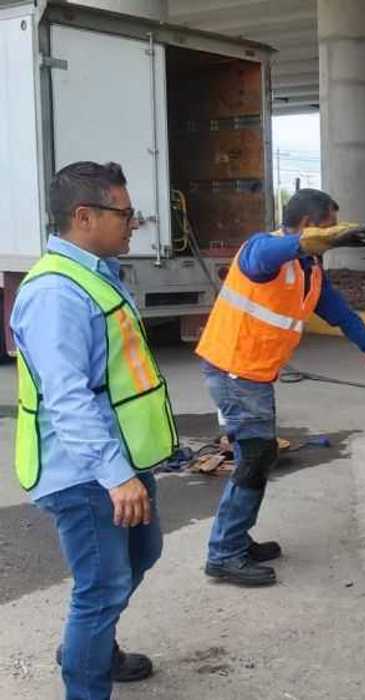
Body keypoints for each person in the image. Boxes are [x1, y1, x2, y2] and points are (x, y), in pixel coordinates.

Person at [12, 161, 176, 698]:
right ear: (84, 216)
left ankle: (91, 645)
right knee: (102, 586)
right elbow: (68, 398)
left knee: (141, 554)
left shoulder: (93, 274)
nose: (134, 223)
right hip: (82, 471)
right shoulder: (56, 293)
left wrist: (128, 469)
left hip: (119, 459)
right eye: (125, 214)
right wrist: (115, 477)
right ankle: (85, 678)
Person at [196, 188, 365, 587]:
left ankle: (234, 539)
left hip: (254, 374)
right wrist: (299, 244)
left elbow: (340, 314)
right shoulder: (264, 251)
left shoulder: (310, 270)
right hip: (232, 369)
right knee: (257, 455)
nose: (334, 237)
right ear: (309, 226)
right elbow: (260, 256)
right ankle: (224, 553)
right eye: (329, 229)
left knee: (255, 454)